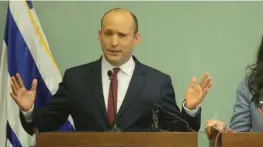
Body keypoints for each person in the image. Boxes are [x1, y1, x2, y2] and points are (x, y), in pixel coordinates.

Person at [10, 8, 212, 134]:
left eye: (122, 35)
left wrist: (189, 109)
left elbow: (179, 131)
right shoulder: (76, 79)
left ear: (136, 38)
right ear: (100, 35)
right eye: (108, 34)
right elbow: (44, 125)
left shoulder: (157, 82)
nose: (114, 42)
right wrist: (29, 111)